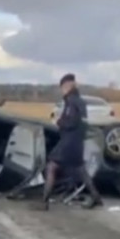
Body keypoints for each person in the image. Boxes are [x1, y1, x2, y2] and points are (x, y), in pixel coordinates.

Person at [35, 73, 103, 211]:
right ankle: (96, 198)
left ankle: (44, 202)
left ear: (67, 86)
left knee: (51, 166)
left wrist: (58, 122)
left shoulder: (71, 102)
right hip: (78, 143)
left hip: (68, 143)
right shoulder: (81, 102)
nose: (62, 90)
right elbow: (82, 123)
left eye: (63, 88)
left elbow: (71, 122)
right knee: (81, 171)